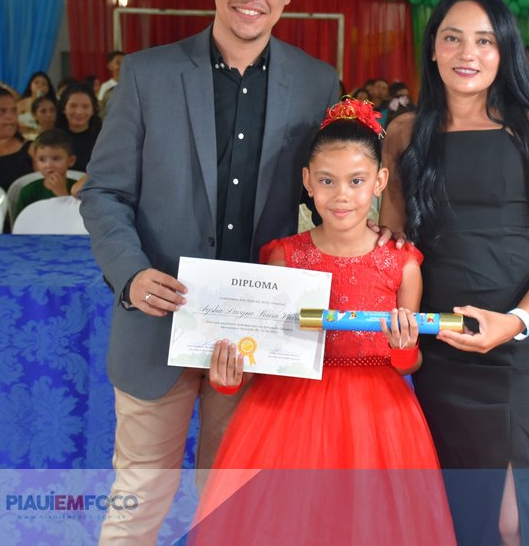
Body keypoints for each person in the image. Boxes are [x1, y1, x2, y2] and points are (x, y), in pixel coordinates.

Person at [78, 0, 339, 545]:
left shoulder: (317, 83)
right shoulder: (148, 74)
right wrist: (132, 275)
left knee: (233, 512)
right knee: (138, 507)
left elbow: (328, 197)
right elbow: (103, 192)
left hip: (257, 335)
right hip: (157, 325)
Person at [190, 99, 456, 546]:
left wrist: (404, 347)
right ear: (307, 181)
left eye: (356, 181)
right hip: (285, 412)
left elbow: (408, 364)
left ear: (379, 182)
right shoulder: (284, 257)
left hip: (377, 419)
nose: (341, 195)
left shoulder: (402, 263)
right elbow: (263, 352)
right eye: (327, 181)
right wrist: (230, 379)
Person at [378, 0, 529, 545]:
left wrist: (515, 322)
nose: (468, 53)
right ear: (433, 48)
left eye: (485, 41)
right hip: (444, 344)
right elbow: (396, 243)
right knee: (464, 511)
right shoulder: (404, 134)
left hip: (521, 344)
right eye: (453, 38)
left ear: (504, 50)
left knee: (516, 519)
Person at [17, 129, 78, 212]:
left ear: (71, 161)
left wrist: (63, 195)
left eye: (56, 158)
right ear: (35, 161)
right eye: (42, 159)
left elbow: (78, 218)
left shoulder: (79, 189)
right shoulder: (28, 192)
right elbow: (22, 219)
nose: (48, 165)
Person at [55, 84, 101, 171]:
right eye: (73, 106)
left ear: (93, 110)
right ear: (64, 108)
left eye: (85, 106)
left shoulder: (103, 139)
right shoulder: (52, 138)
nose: (79, 112)